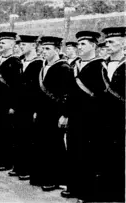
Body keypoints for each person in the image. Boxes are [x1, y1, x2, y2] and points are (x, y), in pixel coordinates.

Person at [62, 31, 108, 202]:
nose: (79, 47)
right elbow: (68, 93)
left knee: (89, 156)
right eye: (78, 44)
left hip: (92, 119)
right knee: (74, 152)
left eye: (83, 44)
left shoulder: (100, 66)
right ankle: (74, 187)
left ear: (94, 46)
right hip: (74, 117)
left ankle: (88, 193)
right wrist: (65, 114)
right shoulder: (75, 66)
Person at [34, 36, 73, 191]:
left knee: (55, 145)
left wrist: (64, 114)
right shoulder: (44, 66)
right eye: (43, 48)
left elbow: (67, 93)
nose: (44, 51)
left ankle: (56, 179)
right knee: (43, 144)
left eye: (48, 48)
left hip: (56, 113)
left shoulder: (63, 68)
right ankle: (43, 176)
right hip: (43, 112)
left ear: (57, 50)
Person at [9, 35, 44, 181]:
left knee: (29, 138)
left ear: (33, 46)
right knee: (18, 136)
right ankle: (19, 166)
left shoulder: (39, 64)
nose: (21, 47)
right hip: (19, 106)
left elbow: (39, 90)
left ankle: (27, 169)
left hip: (31, 106)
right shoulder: (21, 62)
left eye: (24, 44)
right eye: (20, 44)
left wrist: (37, 109)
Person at [0, 32, 22, 172]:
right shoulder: (0, 60)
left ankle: (7, 162)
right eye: (0, 42)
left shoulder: (15, 62)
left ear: (12, 44)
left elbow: (17, 87)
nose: (0, 45)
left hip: (8, 104)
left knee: (7, 133)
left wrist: (13, 105)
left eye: (3, 42)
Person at [98, 26, 125, 202]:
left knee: (117, 159)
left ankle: (116, 196)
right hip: (100, 119)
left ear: (123, 43)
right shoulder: (103, 65)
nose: (107, 45)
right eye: (106, 41)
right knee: (101, 156)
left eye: (111, 42)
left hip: (120, 120)